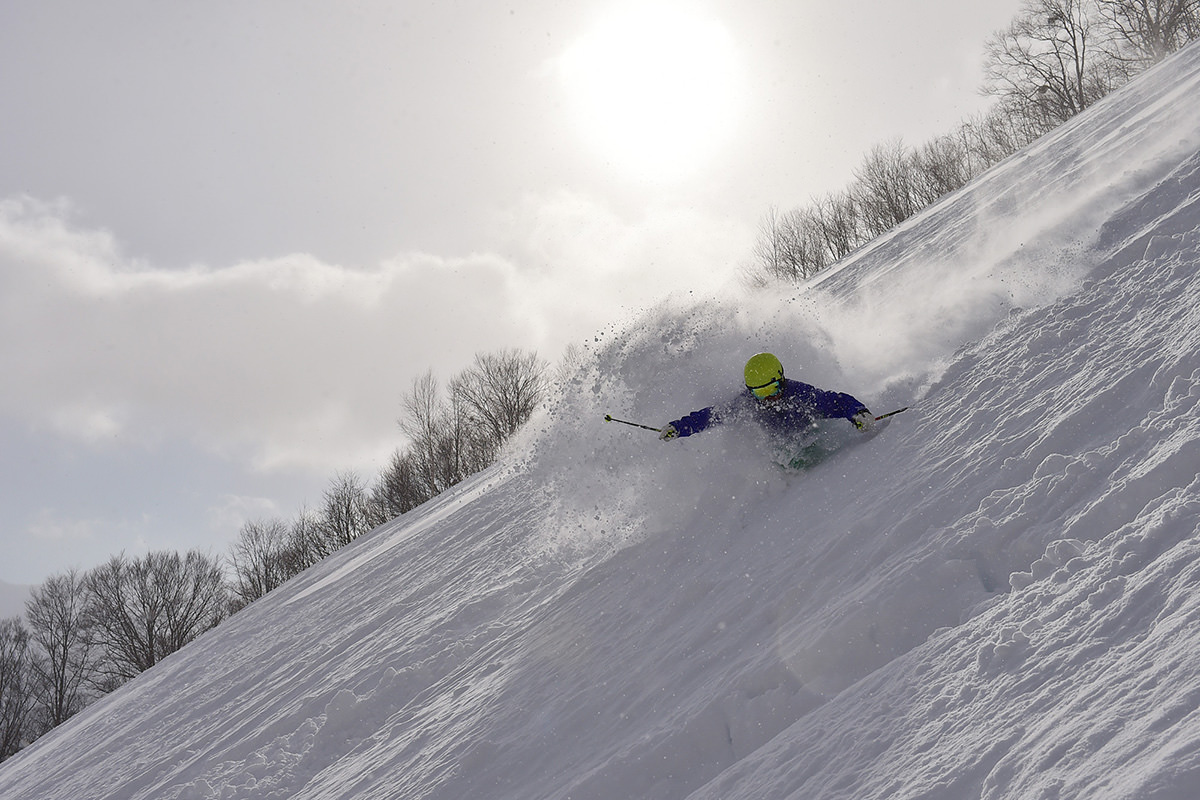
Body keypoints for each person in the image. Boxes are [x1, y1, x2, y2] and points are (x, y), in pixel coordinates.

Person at [658, 352, 874, 444]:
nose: (768, 398)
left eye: (771, 389)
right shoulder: (746, 405)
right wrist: (679, 428)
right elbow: (709, 417)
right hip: (780, 451)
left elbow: (835, 402)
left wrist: (858, 412)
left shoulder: (800, 395)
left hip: (809, 438)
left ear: (782, 379)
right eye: (760, 393)